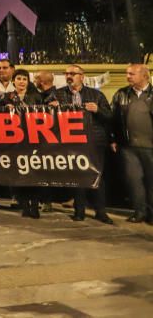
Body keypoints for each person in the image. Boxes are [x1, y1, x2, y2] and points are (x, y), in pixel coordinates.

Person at [52, 65, 113, 224]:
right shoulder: (58, 94)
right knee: (77, 176)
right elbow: (45, 116)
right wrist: (52, 109)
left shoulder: (96, 94)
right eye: (66, 74)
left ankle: (101, 212)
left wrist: (97, 110)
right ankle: (79, 211)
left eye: (72, 73)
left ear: (82, 76)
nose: (69, 76)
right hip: (71, 142)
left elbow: (109, 117)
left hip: (93, 141)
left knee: (96, 176)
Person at [110, 64, 153, 224]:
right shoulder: (121, 94)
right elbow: (112, 118)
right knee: (134, 180)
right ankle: (139, 212)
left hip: (150, 146)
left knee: (151, 181)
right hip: (128, 147)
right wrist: (113, 138)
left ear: (144, 76)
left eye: (131, 74)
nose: (128, 76)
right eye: (127, 74)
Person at [0, 69, 43, 218]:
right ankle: (24, 205)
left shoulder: (36, 97)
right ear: (13, 81)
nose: (22, 81)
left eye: (24, 79)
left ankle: (35, 205)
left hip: (33, 139)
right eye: (19, 79)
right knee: (18, 173)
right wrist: (6, 109)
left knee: (34, 174)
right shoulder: (6, 98)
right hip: (14, 140)